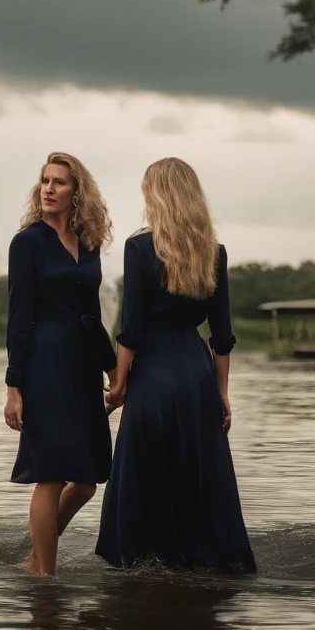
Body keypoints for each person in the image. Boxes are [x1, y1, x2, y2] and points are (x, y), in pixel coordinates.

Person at [96, 157, 256, 572]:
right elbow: (222, 337)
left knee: (145, 470)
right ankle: (203, 557)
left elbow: (130, 330)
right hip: (197, 374)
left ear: (156, 195)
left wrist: (117, 384)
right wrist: (221, 394)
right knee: (198, 471)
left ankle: (143, 560)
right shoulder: (214, 253)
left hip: (152, 373)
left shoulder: (139, 248)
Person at [4, 151, 117, 575]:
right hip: (43, 365)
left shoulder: (88, 245)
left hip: (82, 365)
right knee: (50, 474)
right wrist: (14, 387)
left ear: (77, 192)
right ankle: (46, 578)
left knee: (86, 482)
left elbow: (94, 315)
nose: (48, 189)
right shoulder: (27, 243)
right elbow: (18, 319)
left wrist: (112, 369)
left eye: (59, 182)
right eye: (45, 181)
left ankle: (37, 556)